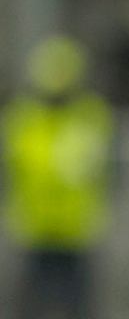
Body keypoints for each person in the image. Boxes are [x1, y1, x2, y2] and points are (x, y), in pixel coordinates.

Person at [2, 35, 115, 319]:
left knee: (79, 305)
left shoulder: (90, 116)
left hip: (76, 229)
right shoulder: (23, 118)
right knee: (31, 305)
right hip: (34, 228)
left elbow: (107, 170)